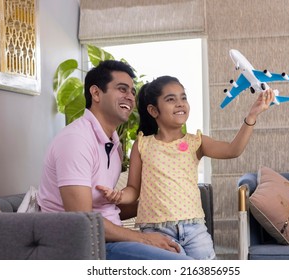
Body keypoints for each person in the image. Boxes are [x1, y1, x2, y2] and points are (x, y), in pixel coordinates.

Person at [96, 75, 275, 259]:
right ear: (153, 110)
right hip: (156, 232)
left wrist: (252, 115)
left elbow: (233, 150)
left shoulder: (196, 142)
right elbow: (133, 189)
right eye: (171, 99)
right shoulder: (142, 144)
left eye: (183, 98)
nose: (180, 103)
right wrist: (119, 196)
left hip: (194, 231)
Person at [37, 62, 193, 260]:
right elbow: (83, 219)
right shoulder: (76, 140)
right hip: (85, 245)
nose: (130, 96)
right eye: (122, 89)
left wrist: (160, 204)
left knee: (185, 252)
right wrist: (144, 239)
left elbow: (106, 208)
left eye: (132, 91)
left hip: (109, 239)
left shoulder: (113, 144)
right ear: (96, 93)